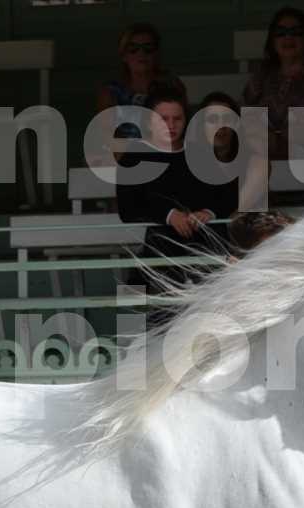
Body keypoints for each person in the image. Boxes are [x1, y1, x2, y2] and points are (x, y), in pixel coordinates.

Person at [116, 86, 240, 303]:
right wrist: (169, 215)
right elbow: (128, 209)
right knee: (136, 303)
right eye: (163, 119)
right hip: (157, 250)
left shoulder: (199, 153)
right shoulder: (133, 157)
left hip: (203, 247)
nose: (171, 126)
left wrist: (208, 211)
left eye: (178, 119)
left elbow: (228, 194)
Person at [241, 7, 304, 162]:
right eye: (281, 33)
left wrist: (275, 141)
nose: (288, 37)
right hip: (261, 165)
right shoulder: (261, 75)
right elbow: (244, 119)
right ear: (272, 41)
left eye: (296, 32)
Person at [95, 23, 187, 160]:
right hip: (121, 161)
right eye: (133, 48)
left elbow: (183, 129)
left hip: (166, 159)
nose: (141, 53)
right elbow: (107, 137)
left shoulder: (172, 85)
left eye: (148, 48)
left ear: (156, 54)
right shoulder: (110, 92)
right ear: (123, 55)